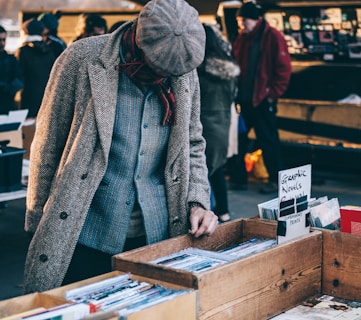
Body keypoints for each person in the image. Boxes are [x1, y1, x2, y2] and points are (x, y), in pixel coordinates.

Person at [23, 0, 218, 294]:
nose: (168, 78)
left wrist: (198, 201)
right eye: (160, 68)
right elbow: (48, 141)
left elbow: (192, 142)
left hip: (157, 234)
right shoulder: (81, 58)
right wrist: (39, 221)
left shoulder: (183, 71)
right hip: (83, 229)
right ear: (140, 43)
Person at [231, 2, 292, 194]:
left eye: (244, 21)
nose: (241, 25)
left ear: (255, 19)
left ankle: (276, 181)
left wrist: (272, 94)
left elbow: (284, 68)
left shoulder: (273, 37)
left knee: (268, 141)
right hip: (245, 99)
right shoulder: (243, 38)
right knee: (238, 139)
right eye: (239, 21)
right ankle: (239, 178)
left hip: (262, 99)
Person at [197, 23, 240, 223]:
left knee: (201, 172)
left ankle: (208, 212)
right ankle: (223, 211)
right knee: (216, 170)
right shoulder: (228, 68)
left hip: (203, 125)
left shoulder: (199, 69)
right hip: (224, 123)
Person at [15, 18, 58, 118]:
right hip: (48, 97)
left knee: (29, 129)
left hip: (29, 97)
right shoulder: (49, 51)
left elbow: (19, 75)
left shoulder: (23, 51)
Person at [0, 25, 24, 115]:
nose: (2, 43)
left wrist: (9, 88)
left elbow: (19, 80)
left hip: (7, 107)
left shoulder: (11, 60)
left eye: (4, 40)